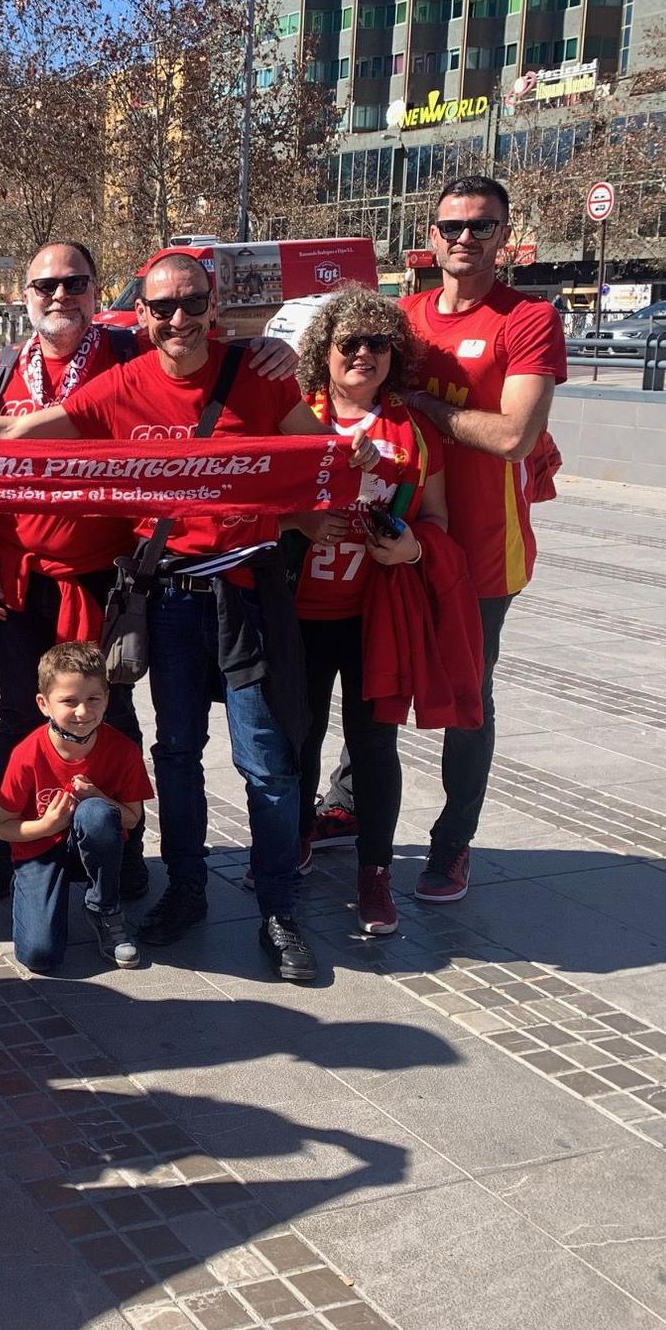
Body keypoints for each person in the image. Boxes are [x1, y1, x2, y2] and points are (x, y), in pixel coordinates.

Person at [0, 250, 375, 984]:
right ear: (140, 316)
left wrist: (329, 491)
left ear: (214, 306)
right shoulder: (123, 384)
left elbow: (321, 452)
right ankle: (187, 890)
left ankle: (279, 911)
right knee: (175, 756)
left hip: (247, 597)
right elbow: (18, 436)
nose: (177, 318)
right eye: (161, 307)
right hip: (171, 600)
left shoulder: (258, 375)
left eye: (191, 303)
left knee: (267, 764)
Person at [0, 242, 145, 903]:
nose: (59, 295)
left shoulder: (130, 359)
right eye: (46, 285)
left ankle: (125, 843)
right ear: (25, 294)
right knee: (18, 714)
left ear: (98, 292)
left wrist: (272, 351)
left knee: (112, 713)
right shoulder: (0, 367)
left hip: (101, 580)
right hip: (16, 579)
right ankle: (10, 841)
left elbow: (207, 359)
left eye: (75, 283)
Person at [400, 176, 567, 902]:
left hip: (486, 545)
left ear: (505, 235)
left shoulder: (526, 319)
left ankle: (452, 843)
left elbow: (510, 435)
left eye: (481, 226)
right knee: (377, 670)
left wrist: (420, 405)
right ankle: (345, 801)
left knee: (469, 693)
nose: (464, 237)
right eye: (452, 226)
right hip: (401, 532)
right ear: (431, 235)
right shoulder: (400, 317)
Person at [289, 286, 449, 938]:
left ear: (394, 354)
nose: (362, 354)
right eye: (348, 343)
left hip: (370, 616)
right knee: (294, 737)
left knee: (372, 744)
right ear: (323, 354)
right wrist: (302, 520)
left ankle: (374, 873)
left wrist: (412, 547)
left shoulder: (410, 429)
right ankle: (293, 840)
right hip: (299, 612)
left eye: (377, 343)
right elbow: (253, 508)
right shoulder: (299, 416)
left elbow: (435, 517)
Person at [0, 641, 151, 974]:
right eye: (69, 701)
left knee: (96, 814)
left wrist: (98, 796)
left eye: (93, 699)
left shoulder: (122, 750)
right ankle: (32, 889)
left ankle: (104, 908)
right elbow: (3, 826)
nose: (83, 712)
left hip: (93, 846)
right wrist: (47, 825)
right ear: (44, 704)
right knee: (40, 956)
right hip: (39, 847)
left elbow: (133, 817)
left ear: (107, 699)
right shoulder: (26, 754)